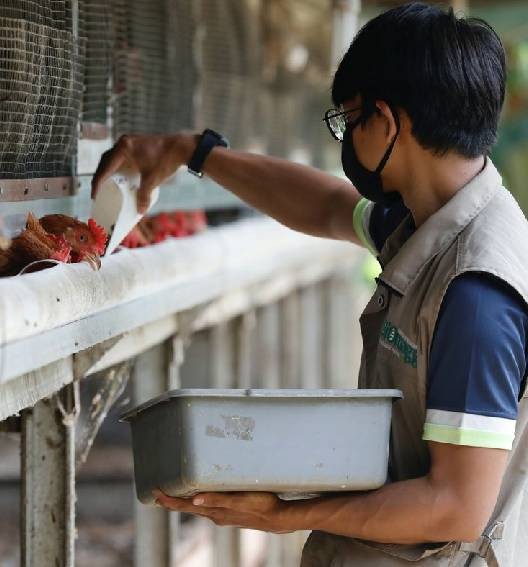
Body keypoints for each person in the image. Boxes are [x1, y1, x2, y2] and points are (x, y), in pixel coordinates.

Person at [91, 3, 528, 566]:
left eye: (349, 120)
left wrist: (284, 514)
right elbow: (323, 205)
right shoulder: (428, 221)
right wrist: (193, 152)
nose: (346, 138)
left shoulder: (475, 293)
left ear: (388, 123)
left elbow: (455, 506)